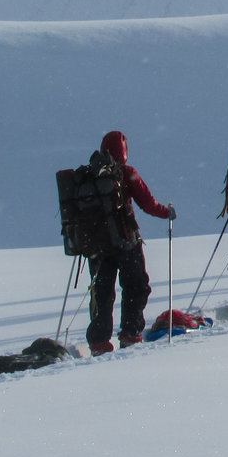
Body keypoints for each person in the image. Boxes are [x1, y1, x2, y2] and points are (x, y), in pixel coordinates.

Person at [87, 130, 174, 355]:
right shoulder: (126, 173)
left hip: (97, 245)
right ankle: (130, 334)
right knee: (136, 286)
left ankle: (98, 341)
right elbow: (148, 204)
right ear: (124, 151)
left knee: (102, 291)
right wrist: (167, 213)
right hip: (126, 241)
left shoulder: (89, 176)